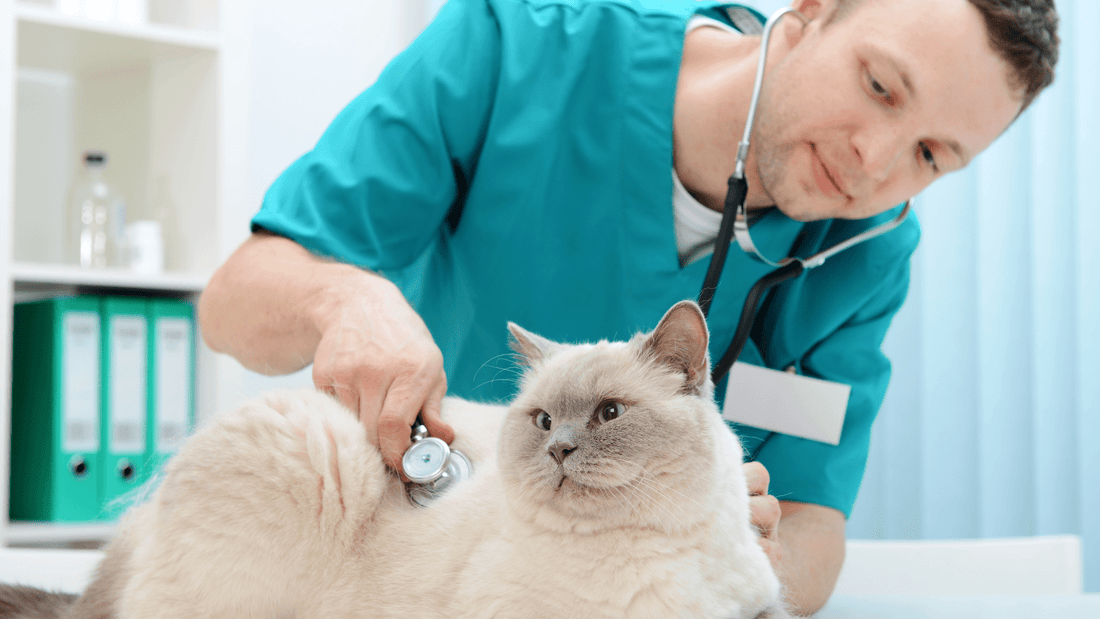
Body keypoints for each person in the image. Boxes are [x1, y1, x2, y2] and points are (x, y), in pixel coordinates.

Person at [198, 0, 1059, 613]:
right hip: (421, 568)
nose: (875, 163)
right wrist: (342, 297)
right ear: (811, 11)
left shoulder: (867, 251)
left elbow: (811, 527)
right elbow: (235, 301)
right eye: (879, 86)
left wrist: (739, 550)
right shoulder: (519, 40)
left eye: (931, 155)